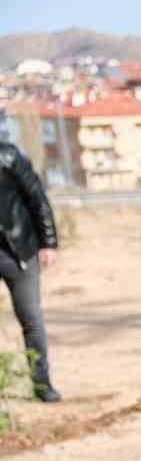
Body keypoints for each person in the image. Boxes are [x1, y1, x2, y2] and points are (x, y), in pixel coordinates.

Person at [0, 140, 60, 402]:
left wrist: (48, 242)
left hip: (19, 251)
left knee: (31, 319)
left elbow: (37, 197)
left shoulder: (9, 155)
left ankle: (41, 384)